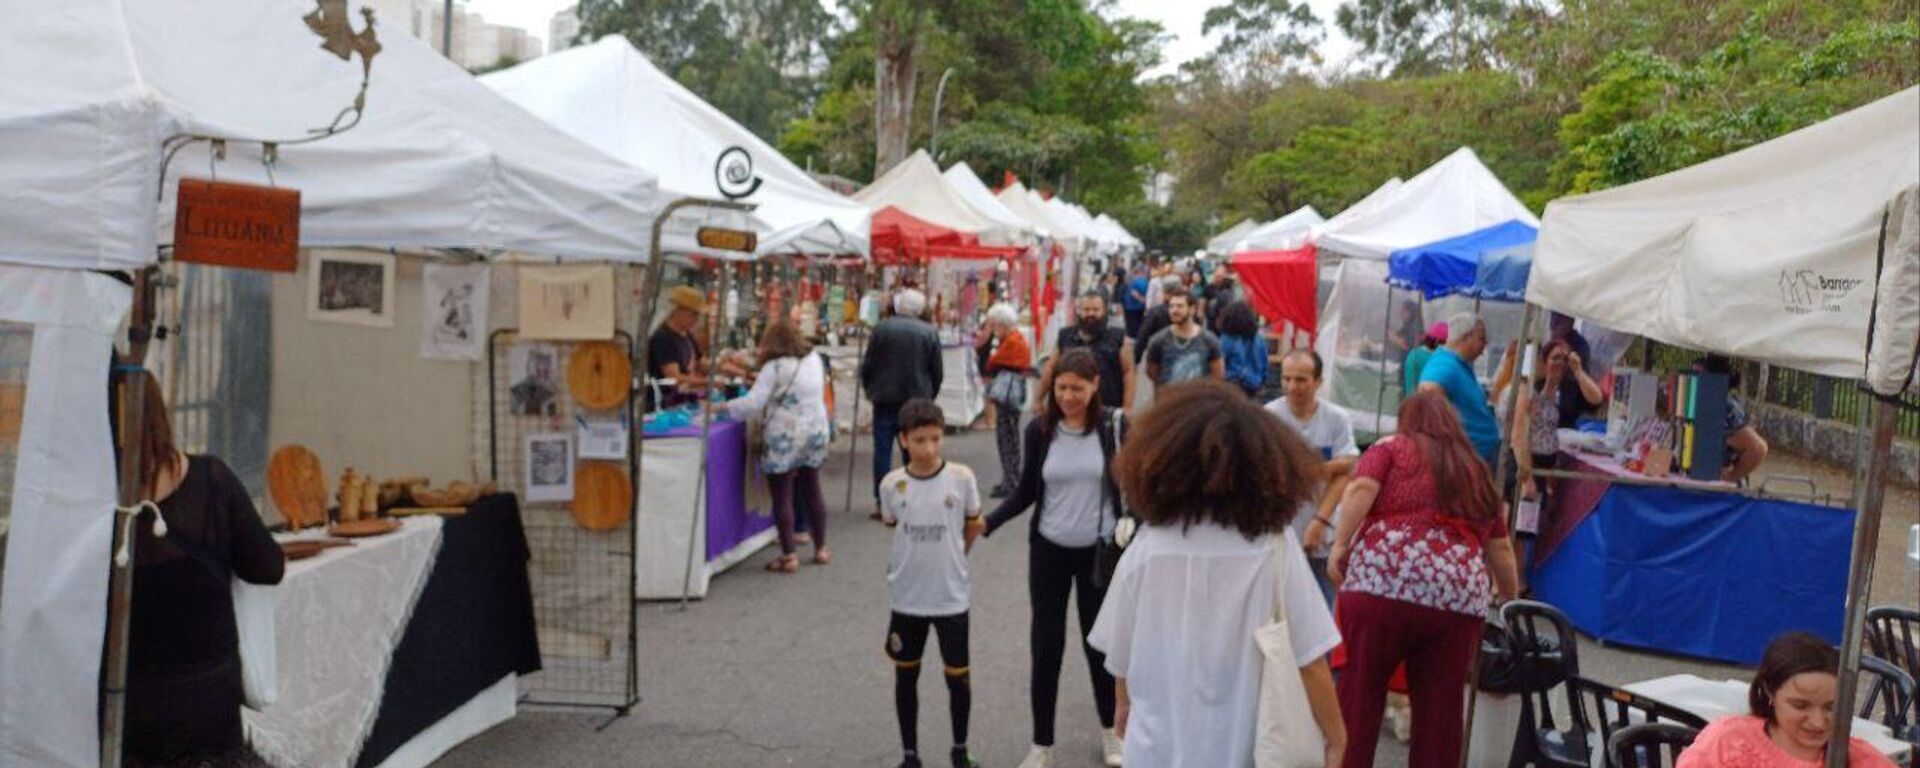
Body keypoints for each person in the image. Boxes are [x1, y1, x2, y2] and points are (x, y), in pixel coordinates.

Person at [1087, 381, 1346, 768]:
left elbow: (1121, 652)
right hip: (1243, 745)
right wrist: (1336, 733)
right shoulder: (1271, 546)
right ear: (1262, 465)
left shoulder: (1149, 545)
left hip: (1157, 743)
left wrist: (1123, 703)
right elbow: (1309, 657)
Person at [1326, 391, 1521, 768]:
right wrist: (1510, 601)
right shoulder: (1476, 470)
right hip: (1456, 600)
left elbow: (1361, 488)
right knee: (1440, 714)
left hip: (1379, 588)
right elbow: (1501, 549)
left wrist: (1339, 544)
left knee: (1359, 695)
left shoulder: (1391, 448)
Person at [122, 372, 285, 767]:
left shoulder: (95, 505)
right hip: (207, 691)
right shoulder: (211, 479)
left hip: (128, 693)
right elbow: (266, 567)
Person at [984, 350, 1128, 768]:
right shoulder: (1040, 430)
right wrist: (986, 524)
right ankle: (1041, 743)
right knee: (1046, 648)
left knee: (1099, 647)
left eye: (1077, 388)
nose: (1068, 396)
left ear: (1095, 385)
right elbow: (1026, 490)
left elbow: (1133, 484)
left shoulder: (1112, 428)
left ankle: (1111, 734)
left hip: (1097, 554)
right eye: (1061, 387)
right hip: (1048, 551)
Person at [879, 399, 985, 768]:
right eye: (920, 440)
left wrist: (956, 556)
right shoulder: (892, 484)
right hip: (907, 598)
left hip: (951, 598)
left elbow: (973, 525)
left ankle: (960, 749)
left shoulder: (962, 478)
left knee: (958, 679)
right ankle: (910, 754)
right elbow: (894, 528)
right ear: (904, 440)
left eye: (936, 439)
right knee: (906, 677)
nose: (929, 448)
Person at [1676, 631, 1896, 767]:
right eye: (1800, 705)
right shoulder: (1725, 743)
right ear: (1770, 693)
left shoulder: (1863, 760)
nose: (1818, 722)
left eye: (1831, 707)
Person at [724, 321, 833, 572]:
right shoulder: (814, 359)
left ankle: (789, 555)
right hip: (815, 432)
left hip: (784, 435)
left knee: (782, 495)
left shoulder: (774, 367)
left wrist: (725, 408)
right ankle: (821, 548)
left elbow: (754, 402)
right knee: (812, 489)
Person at [1266, 349, 1360, 608]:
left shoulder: (1336, 419)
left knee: (1321, 608)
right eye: (1287, 379)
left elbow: (1351, 465)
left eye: (1301, 380)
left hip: (1320, 531)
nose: (1292, 387)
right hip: (1279, 531)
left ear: (1318, 382)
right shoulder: (1270, 417)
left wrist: (1320, 520)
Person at [1510, 339, 1604, 585]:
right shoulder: (1532, 388)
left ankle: (1524, 575)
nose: (1558, 364)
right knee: (1520, 524)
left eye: (1563, 359)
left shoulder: (1568, 389)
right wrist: (1527, 474)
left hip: (1549, 462)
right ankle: (1515, 579)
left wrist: (1578, 369)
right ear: (1544, 360)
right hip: (1529, 462)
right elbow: (1518, 433)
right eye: (1554, 358)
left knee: (1532, 523)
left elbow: (1596, 398)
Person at [861, 289, 944, 511]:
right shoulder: (928, 332)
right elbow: (936, 370)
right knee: (914, 448)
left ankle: (883, 500)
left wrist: (869, 387)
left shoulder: (881, 329)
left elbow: (868, 363)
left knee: (882, 449)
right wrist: (930, 394)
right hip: (916, 398)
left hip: (885, 396)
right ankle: (914, 495)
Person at [1417, 313, 1501, 464]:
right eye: (1481, 339)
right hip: (1467, 459)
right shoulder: (1444, 364)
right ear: (1466, 337)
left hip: (1477, 455)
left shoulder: (1459, 364)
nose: (1484, 346)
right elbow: (1428, 389)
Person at [1040, 291, 1136, 414]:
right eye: (1086, 309)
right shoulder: (1065, 336)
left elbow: (1128, 372)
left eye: (1095, 310)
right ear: (1078, 311)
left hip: (1107, 407)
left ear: (1104, 311)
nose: (1091, 313)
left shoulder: (1118, 338)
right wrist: (1039, 399)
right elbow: (1050, 368)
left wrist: (1127, 407)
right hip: (1068, 407)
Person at [978, 303, 1033, 498]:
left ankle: (1012, 481)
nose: (993, 329)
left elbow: (992, 362)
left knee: (1007, 438)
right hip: (1011, 393)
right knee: (1008, 437)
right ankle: (1010, 479)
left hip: (1008, 394)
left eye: (994, 325)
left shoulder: (1012, 342)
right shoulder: (1014, 339)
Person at [1697, 355, 1770, 484]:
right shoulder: (1701, 404)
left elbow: (1758, 448)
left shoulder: (1725, 407)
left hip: (1720, 488)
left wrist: (1732, 476)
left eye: (1698, 376)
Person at [1141, 287, 1224, 389]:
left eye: (1179, 306)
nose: (1174, 310)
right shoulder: (1158, 340)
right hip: (1169, 401)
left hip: (1199, 401)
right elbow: (1152, 373)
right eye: (1171, 306)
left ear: (1192, 309)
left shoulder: (1209, 340)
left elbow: (1217, 376)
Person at [646, 285, 711, 411]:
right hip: (663, 405)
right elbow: (674, 378)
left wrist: (722, 368)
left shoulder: (686, 334)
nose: (696, 320)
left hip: (681, 403)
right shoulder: (663, 338)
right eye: (692, 315)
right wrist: (708, 382)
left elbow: (701, 362)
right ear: (678, 311)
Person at [1548, 313, 1600, 428]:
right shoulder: (1548, 341)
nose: (1554, 322)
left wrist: (1577, 370)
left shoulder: (1579, 346)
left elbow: (1595, 398)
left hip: (1569, 414)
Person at [1215, 300, 1269, 398]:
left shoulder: (1227, 338)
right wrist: (1262, 382)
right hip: (1255, 384)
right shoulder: (1259, 338)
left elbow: (1220, 363)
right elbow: (1264, 362)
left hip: (1232, 385)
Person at [1131, 275, 1183, 363]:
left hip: (1162, 358)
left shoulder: (1156, 312)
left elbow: (1143, 336)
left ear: (1166, 293)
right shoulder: (1189, 310)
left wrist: (1135, 360)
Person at [1402, 322, 1447, 397]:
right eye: (1445, 343)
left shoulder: (1414, 354)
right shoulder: (1438, 359)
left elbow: (1410, 386)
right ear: (1437, 342)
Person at [1388, 300, 1423, 365]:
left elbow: (1410, 348)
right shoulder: (1405, 327)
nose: (1400, 313)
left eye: (1403, 311)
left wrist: (1396, 341)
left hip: (1411, 368)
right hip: (1403, 365)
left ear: (1410, 313)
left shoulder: (1415, 330)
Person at [1122, 266, 1149, 338]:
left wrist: (1142, 300)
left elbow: (1133, 293)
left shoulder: (1134, 282)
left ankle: (1133, 338)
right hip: (1140, 307)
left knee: (1132, 325)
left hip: (1131, 306)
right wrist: (1145, 302)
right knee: (1139, 323)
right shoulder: (1145, 281)